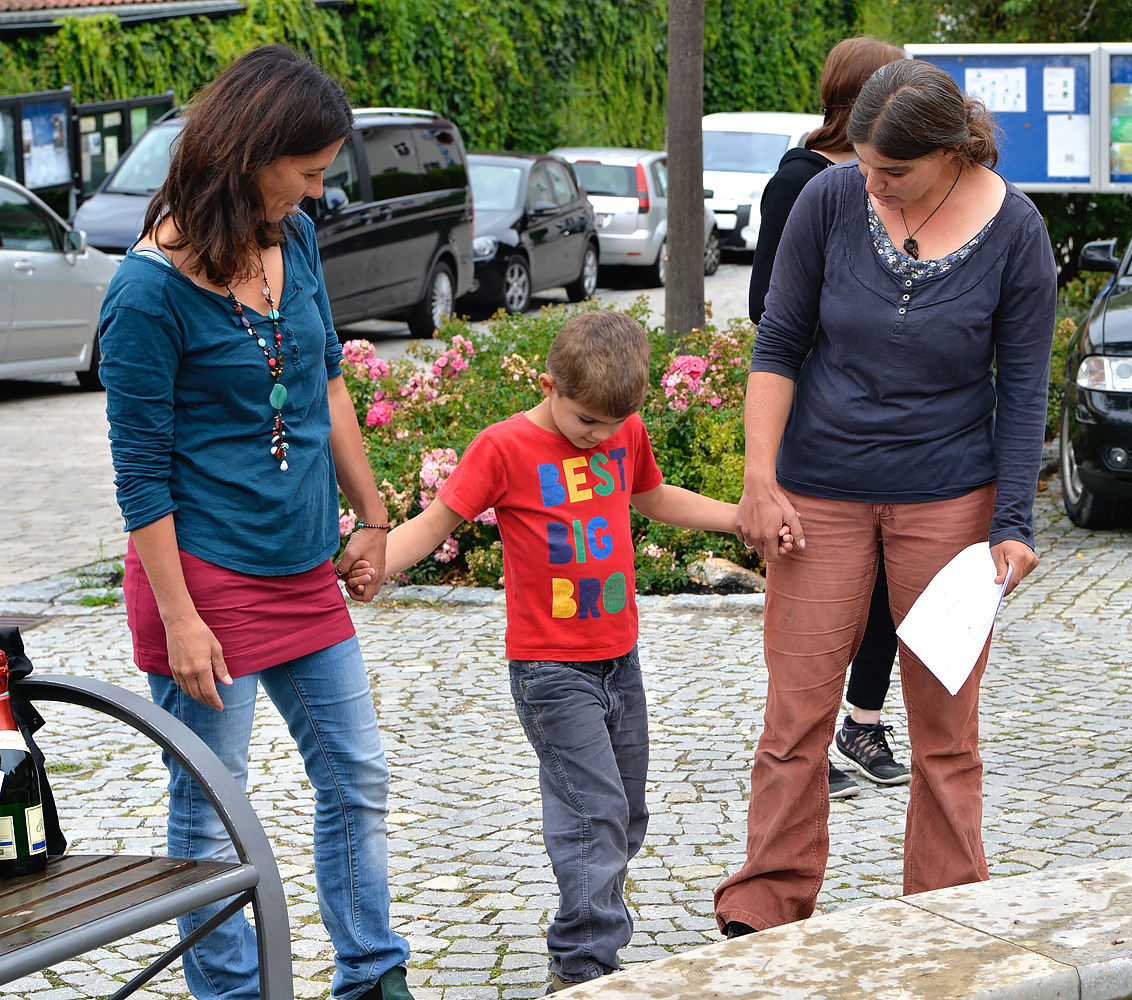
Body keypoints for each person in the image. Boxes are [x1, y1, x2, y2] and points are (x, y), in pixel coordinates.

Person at [98, 47, 412, 1000]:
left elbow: (323, 381)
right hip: (204, 579)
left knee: (356, 775)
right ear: (250, 152)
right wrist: (182, 619)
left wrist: (370, 513)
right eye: (309, 171)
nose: (319, 191)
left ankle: (371, 975)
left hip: (301, 565)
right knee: (210, 813)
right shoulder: (147, 294)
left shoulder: (298, 241)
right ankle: (229, 994)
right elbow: (140, 477)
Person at [715, 59, 1056, 936]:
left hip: (949, 498)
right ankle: (765, 905)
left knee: (945, 726)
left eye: (892, 173)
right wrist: (760, 479)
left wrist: (1013, 522)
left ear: (948, 152)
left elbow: (1022, 389)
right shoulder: (830, 202)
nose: (872, 183)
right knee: (796, 714)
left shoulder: (1017, 231)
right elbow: (779, 341)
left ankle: (946, 910)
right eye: (864, 163)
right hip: (817, 492)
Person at [356, 312, 785, 993]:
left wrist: (738, 515)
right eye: (588, 421)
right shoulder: (503, 448)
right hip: (550, 670)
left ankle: (590, 929)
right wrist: (377, 566)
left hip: (621, 659)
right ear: (551, 385)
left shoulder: (623, 431)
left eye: (615, 425)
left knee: (626, 812)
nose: (602, 437)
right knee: (594, 814)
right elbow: (437, 524)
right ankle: (583, 967)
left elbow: (650, 496)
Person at [748, 35, 909, 800]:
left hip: (893, 434)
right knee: (817, 595)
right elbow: (766, 310)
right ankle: (803, 744)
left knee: (887, 586)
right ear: (860, 96)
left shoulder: (911, 187)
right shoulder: (802, 182)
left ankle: (864, 718)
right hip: (817, 419)